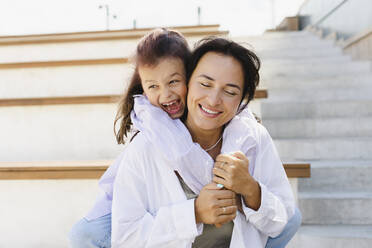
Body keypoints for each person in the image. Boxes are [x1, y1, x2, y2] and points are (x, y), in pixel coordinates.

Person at [69, 30, 301, 248]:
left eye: (230, 91)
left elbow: (282, 220)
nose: (212, 100)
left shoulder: (253, 136)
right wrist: (194, 213)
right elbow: (126, 238)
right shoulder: (147, 147)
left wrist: (251, 190)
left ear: (242, 99)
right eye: (205, 84)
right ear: (189, 80)